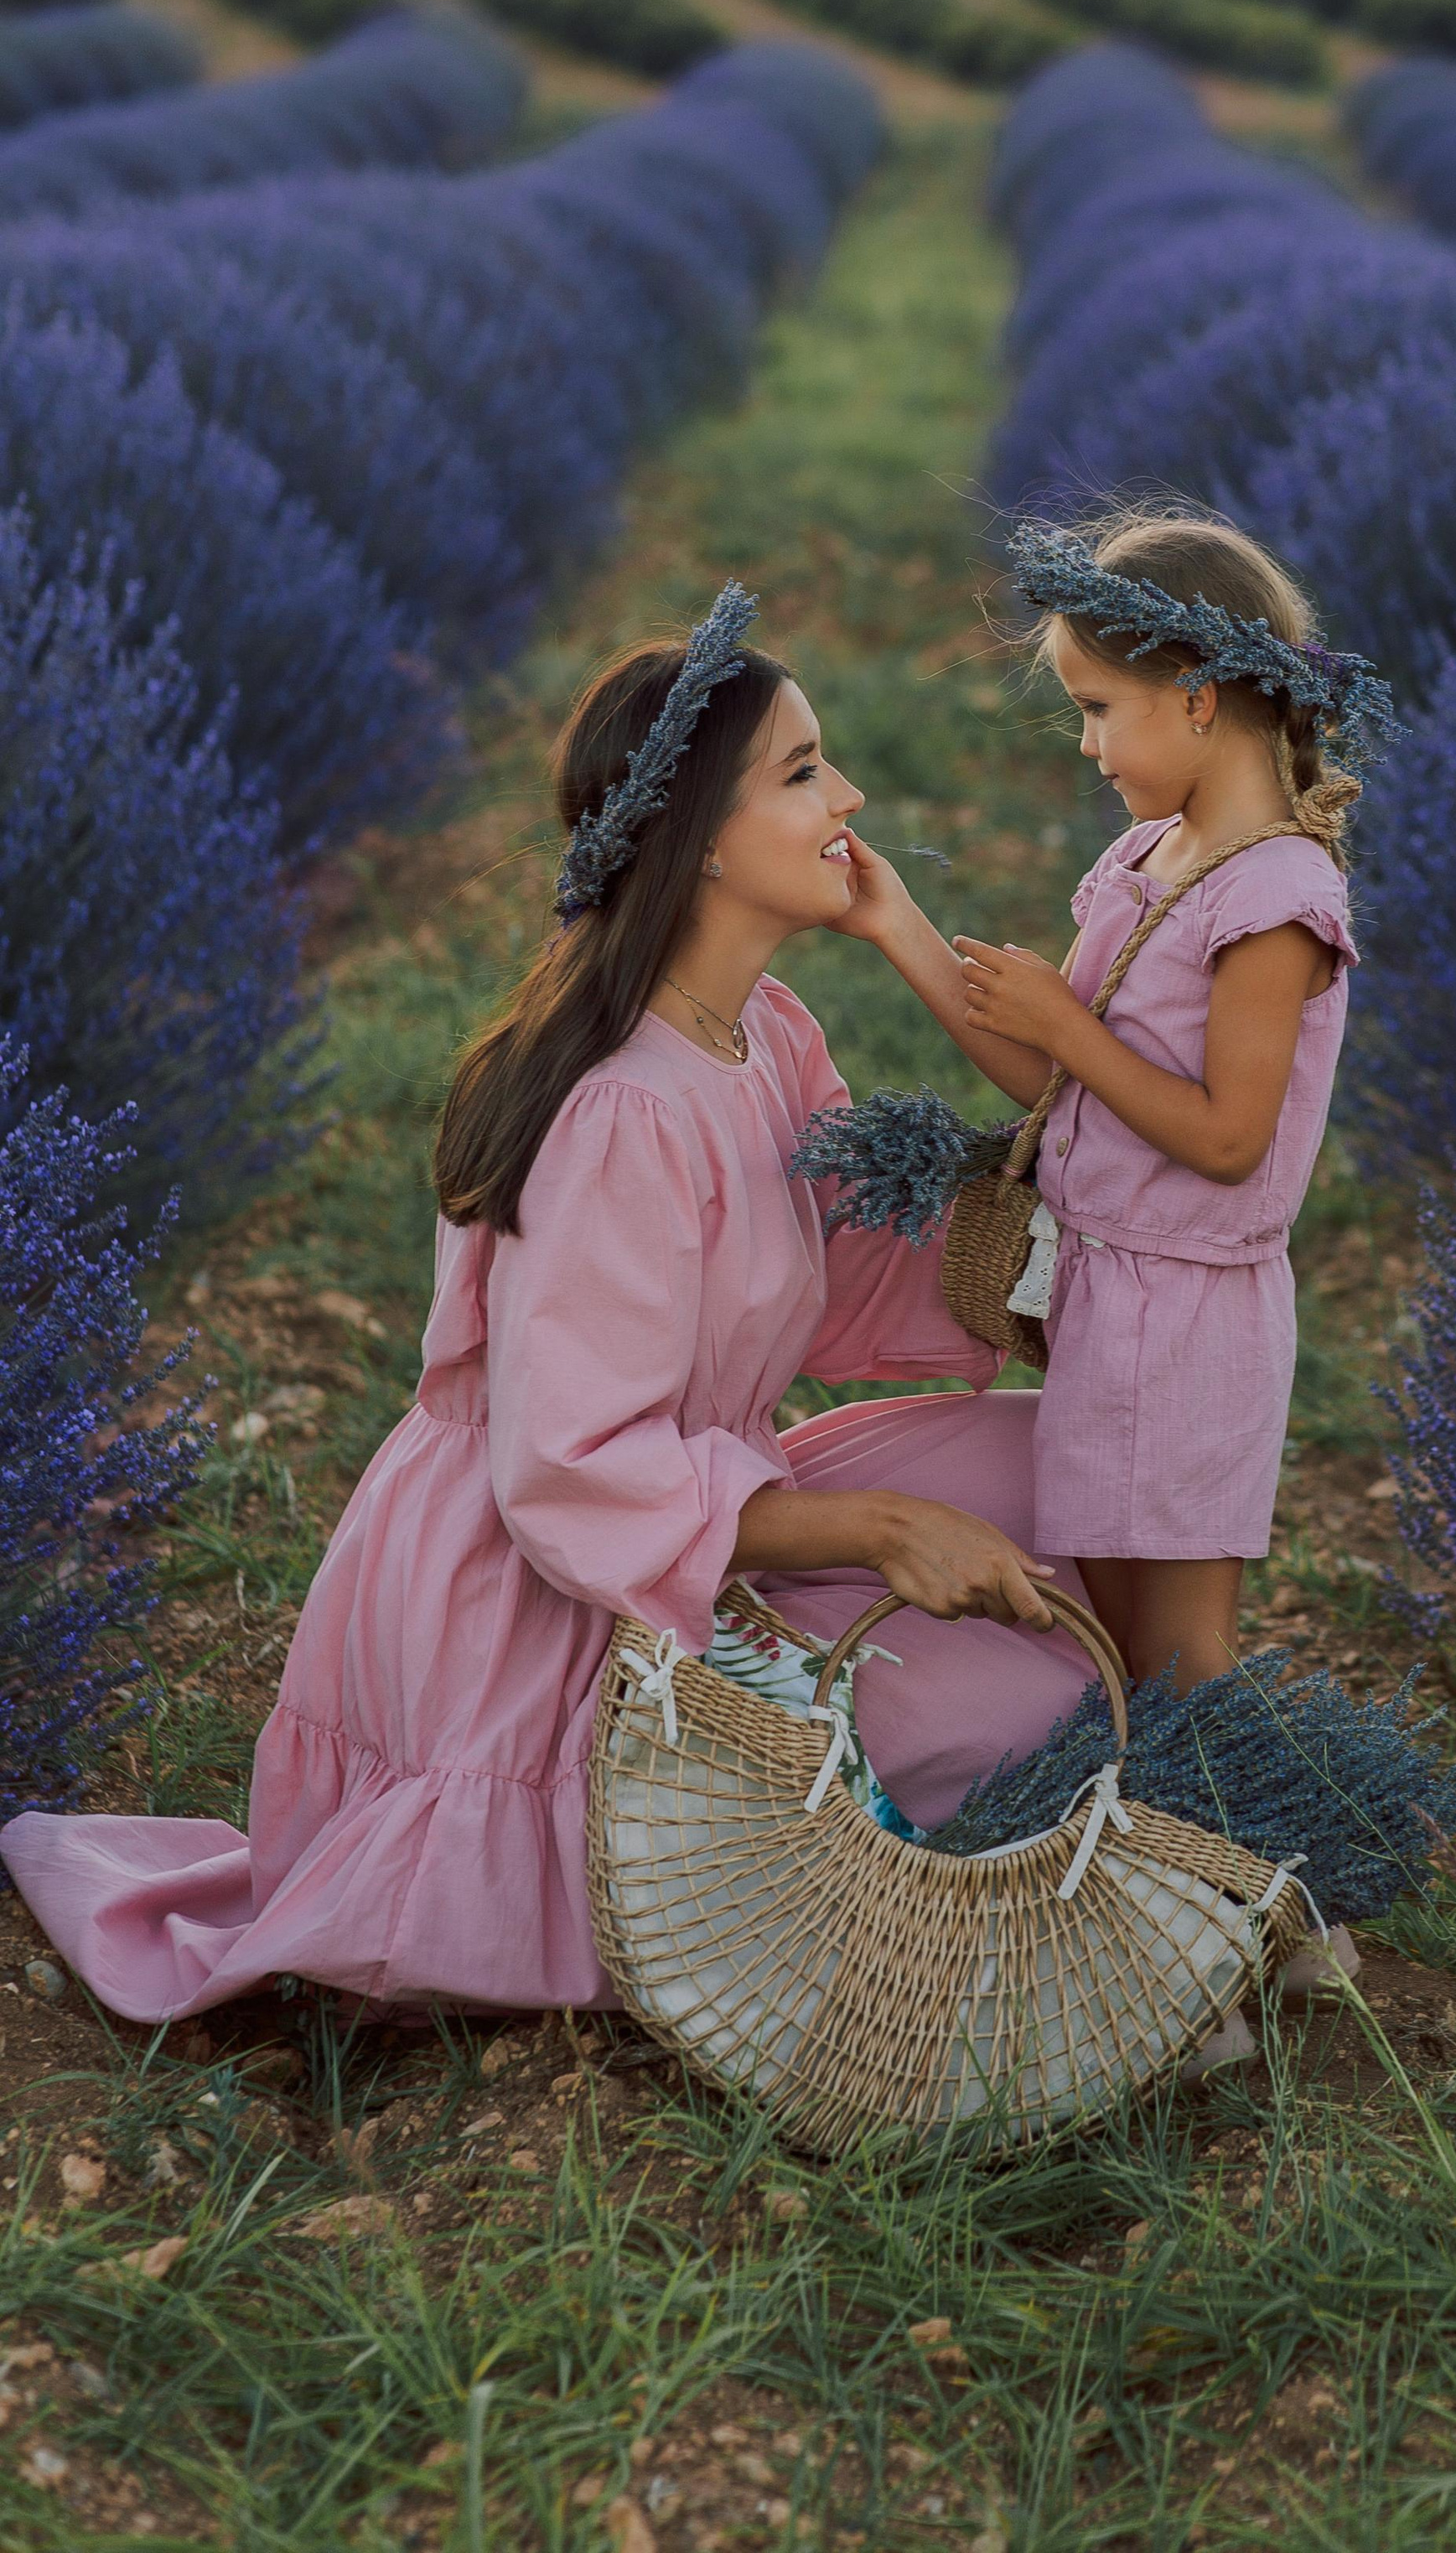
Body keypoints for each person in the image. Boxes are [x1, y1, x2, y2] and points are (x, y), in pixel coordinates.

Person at [0, 587, 1097, 2021]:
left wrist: (1058, 1267)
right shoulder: (619, 1112)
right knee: (1021, 1707)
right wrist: (888, 1530)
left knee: (1073, 1460)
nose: (850, 796)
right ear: (703, 838)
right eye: (804, 771)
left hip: (695, 1501)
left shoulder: (765, 1033)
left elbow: (831, 1267)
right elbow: (572, 1469)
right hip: (541, 1584)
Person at [843, 511, 1392, 1694]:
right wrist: (897, 925)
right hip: (1105, 1298)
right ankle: (1138, 1798)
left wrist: (1069, 1028)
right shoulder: (1150, 858)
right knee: (1117, 1637)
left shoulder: (1276, 898)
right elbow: (1061, 1090)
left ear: (1196, 698)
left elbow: (1230, 1140)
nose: (1089, 748)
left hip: (1191, 1321)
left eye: (1098, 710)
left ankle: (1219, 1811)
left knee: (1181, 1656)